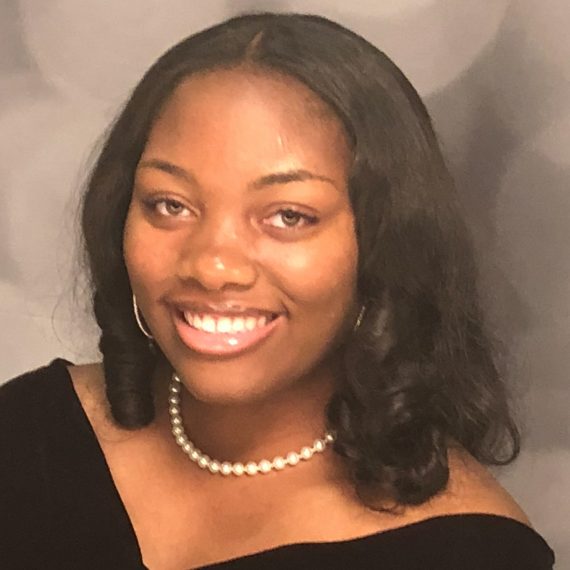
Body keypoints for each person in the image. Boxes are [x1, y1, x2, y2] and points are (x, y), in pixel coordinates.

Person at [0, 11, 556, 570]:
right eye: (170, 205)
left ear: (383, 247)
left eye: (288, 216)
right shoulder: (27, 433)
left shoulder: (468, 552)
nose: (213, 267)